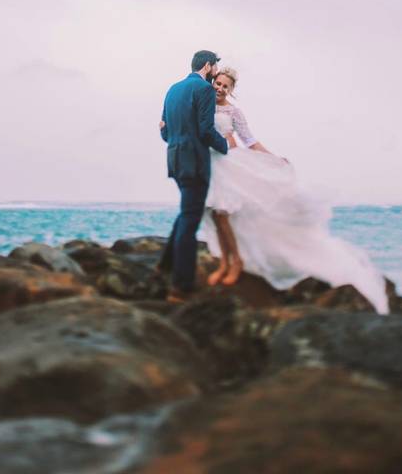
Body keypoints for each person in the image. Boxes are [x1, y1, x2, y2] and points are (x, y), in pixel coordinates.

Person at [197, 67, 389, 313]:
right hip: (209, 165)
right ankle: (225, 261)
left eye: (226, 86)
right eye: (218, 83)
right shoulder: (202, 106)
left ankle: (235, 262)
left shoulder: (234, 112)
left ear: (231, 91)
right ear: (212, 83)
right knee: (214, 215)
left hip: (231, 166)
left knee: (223, 215)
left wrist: (274, 158)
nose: (220, 89)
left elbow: (250, 140)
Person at [158, 50, 229, 301]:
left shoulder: (172, 89)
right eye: (214, 68)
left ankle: (164, 266)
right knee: (190, 220)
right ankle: (181, 286)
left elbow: (165, 132)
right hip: (194, 162)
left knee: (186, 212)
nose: (215, 73)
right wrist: (226, 148)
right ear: (208, 66)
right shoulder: (204, 90)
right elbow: (206, 130)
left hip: (175, 158)